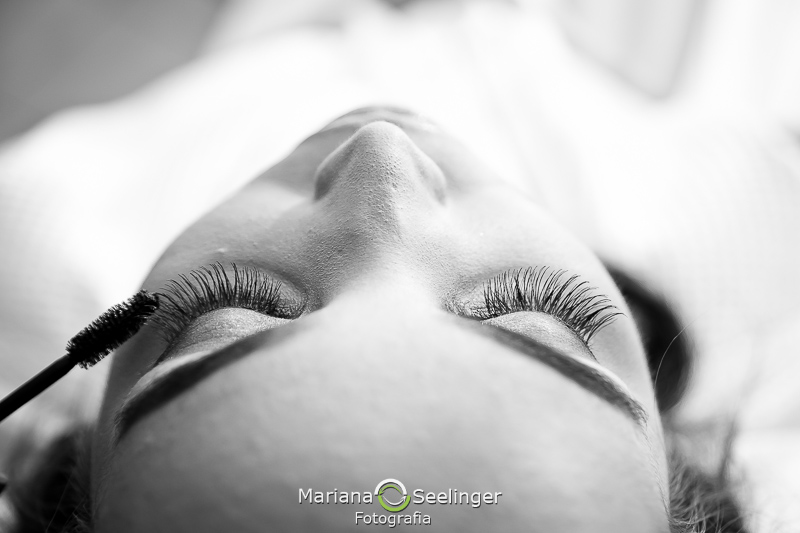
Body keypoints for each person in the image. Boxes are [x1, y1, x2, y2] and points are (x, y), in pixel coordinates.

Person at [1, 1, 798, 532]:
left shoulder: (43, 233)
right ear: (680, 451)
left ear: (73, 444)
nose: (383, 156)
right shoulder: (725, 246)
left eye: (228, 310)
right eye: (531, 311)